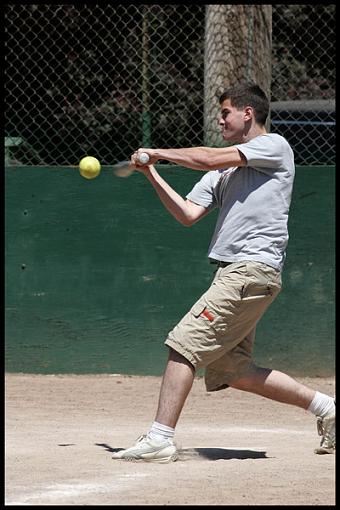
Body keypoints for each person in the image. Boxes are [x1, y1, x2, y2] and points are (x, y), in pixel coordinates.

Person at [112, 82, 335, 463]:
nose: (220, 119)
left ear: (247, 113)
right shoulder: (223, 173)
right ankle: (327, 408)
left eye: (226, 112)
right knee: (233, 370)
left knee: (182, 345)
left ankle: (160, 438)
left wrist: (159, 152)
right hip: (236, 273)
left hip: (250, 269)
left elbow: (209, 158)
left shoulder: (274, 146)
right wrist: (152, 173)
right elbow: (187, 214)